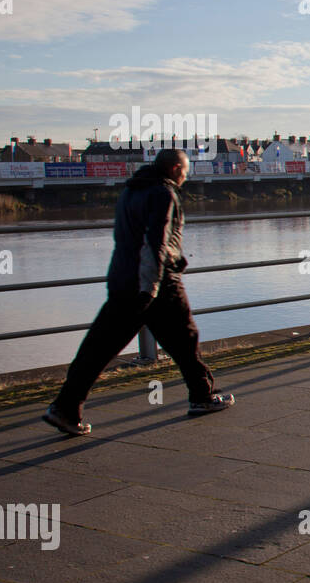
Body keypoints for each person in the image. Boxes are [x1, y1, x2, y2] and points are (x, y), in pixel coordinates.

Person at [43, 147, 233, 435]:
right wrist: (152, 286)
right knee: (185, 339)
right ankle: (202, 397)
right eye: (184, 171)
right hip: (156, 283)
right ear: (173, 170)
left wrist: (174, 256)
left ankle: (64, 408)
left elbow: (133, 239)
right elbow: (154, 242)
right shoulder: (164, 194)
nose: (185, 177)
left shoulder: (130, 191)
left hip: (122, 278)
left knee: (99, 347)